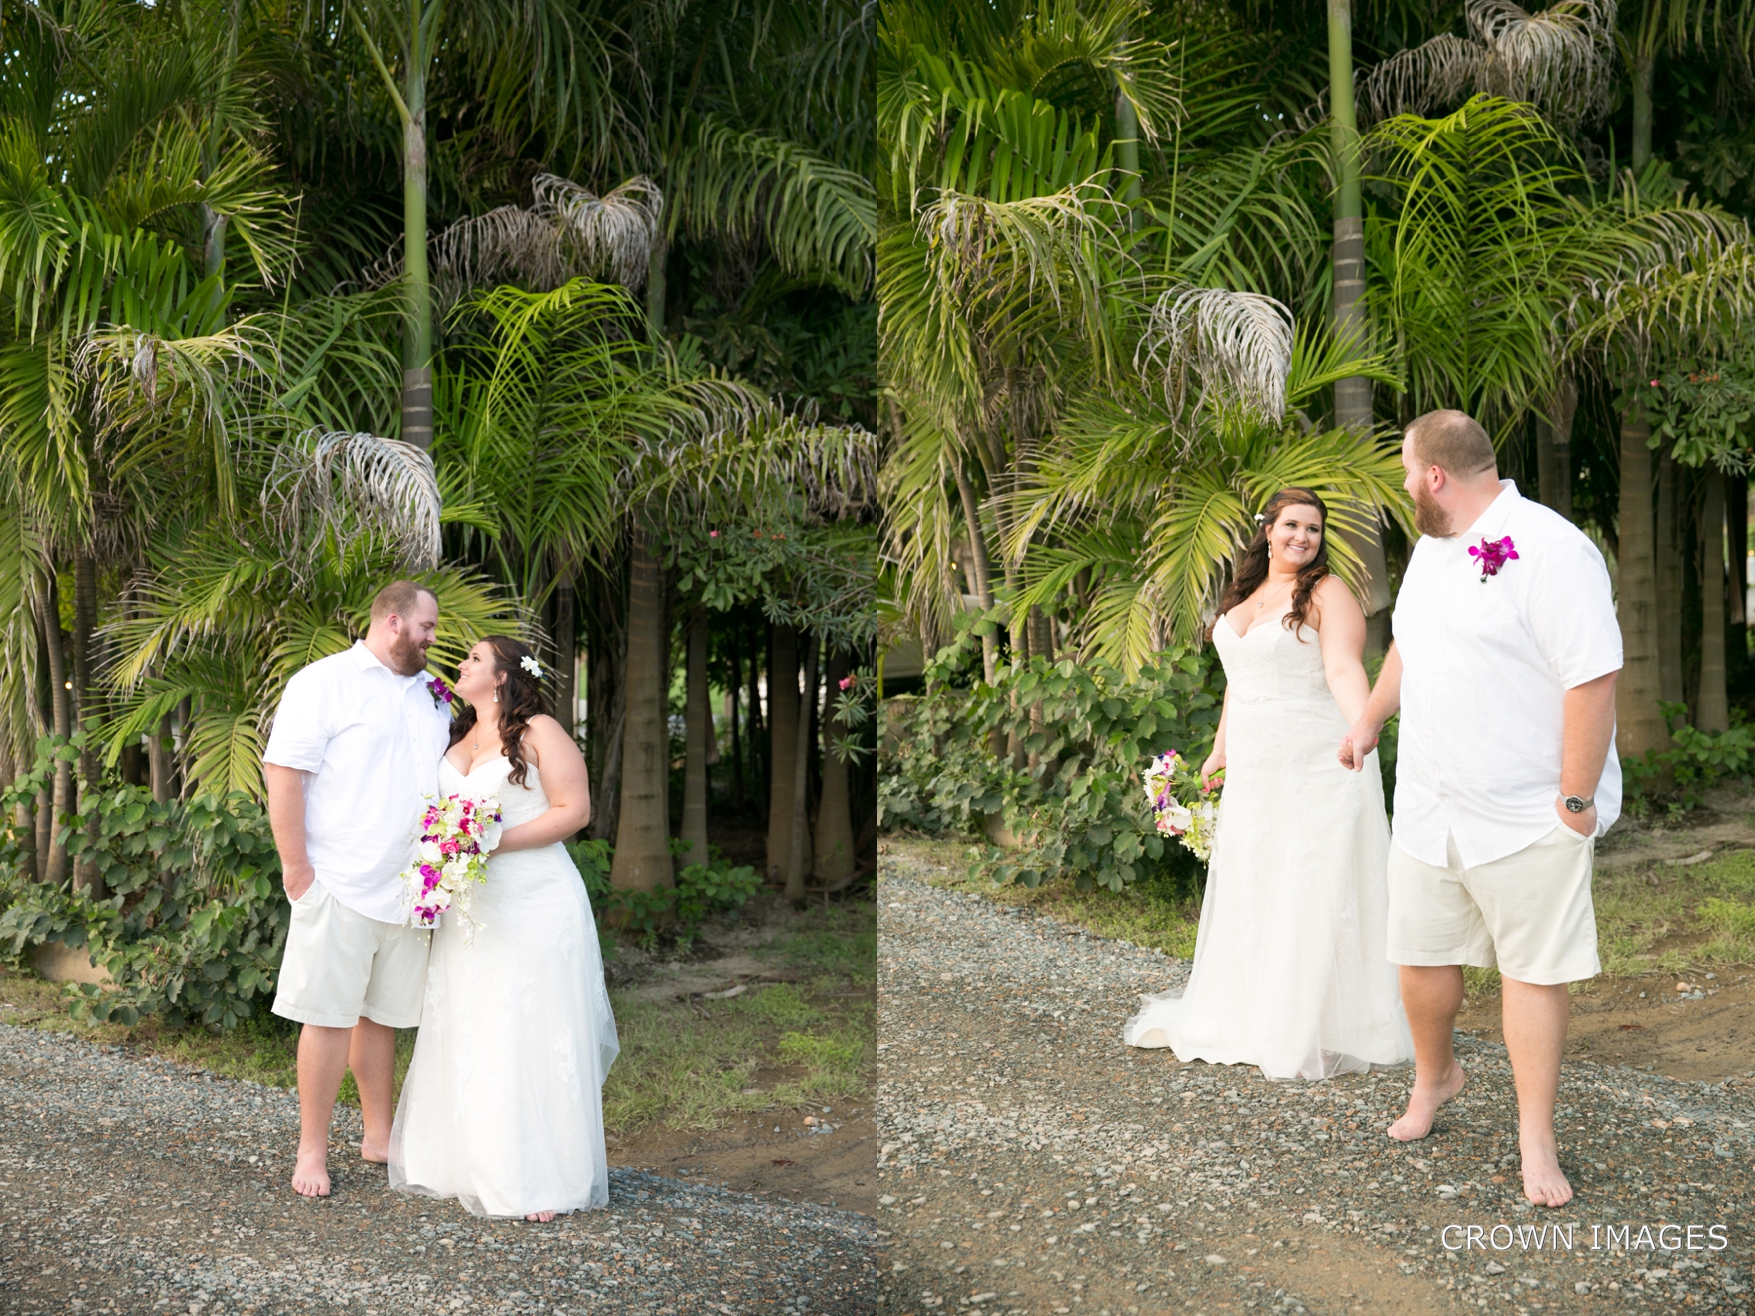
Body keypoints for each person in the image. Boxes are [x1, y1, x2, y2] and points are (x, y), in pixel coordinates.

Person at [1340, 409, 1620, 1208]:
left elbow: (1591, 678)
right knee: (1420, 961)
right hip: (1430, 802)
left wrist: (1572, 802)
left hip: (1525, 810)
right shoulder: (1431, 548)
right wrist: (1369, 721)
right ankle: (1437, 1079)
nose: (1402, 487)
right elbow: (1408, 646)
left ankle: (1535, 1137)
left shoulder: (1554, 549)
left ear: (1434, 477)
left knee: (1531, 973)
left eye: (1404, 473)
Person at [1124, 488, 1414, 1079]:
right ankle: (1256, 1012)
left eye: (1313, 528)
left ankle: (1319, 1023)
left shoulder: (1328, 594)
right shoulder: (1246, 593)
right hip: (1257, 765)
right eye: (1291, 525)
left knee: (1310, 883)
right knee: (1258, 878)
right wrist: (1219, 749)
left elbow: (1341, 667)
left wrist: (1363, 728)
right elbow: (1240, 677)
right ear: (1267, 529)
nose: (1302, 537)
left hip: (1315, 758)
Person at [389, 635, 619, 1221]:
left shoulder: (539, 730)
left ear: (501, 677)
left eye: (472, 658)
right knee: (472, 1019)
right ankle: (466, 1161)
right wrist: (448, 855)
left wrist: (487, 843)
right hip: (473, 907)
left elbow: (574, 811)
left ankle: (539, 1176)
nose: (460, 664)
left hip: (534, 899)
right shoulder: (456, 733)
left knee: (528, 1022)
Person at [264, 580, 452, 1198]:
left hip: (409, 888)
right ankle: (311, 1151)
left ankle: (379, 1136)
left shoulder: (434, 694)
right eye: (426, 626)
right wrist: (298, 870)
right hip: (339, 880)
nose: (433, 636)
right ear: (394, 623)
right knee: (327, 1018)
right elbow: (284, 773)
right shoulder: (321, 683)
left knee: (382, 1019)